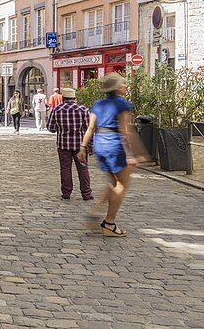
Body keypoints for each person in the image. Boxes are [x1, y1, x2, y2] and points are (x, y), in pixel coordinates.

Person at [78, 74, 142, 237]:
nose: (125, 86)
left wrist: (83, 147)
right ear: (117, 88)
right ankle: (109, 223)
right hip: (115, 145)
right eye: (123, 84)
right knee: (121, 185)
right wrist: (132, 154)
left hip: (101, 143)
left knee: (114, 182)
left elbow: (91, 128)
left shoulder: (98, 104)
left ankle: (97, 210)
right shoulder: (122, 104)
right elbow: (125, 131)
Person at [47, 88, 93, 201]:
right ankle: (86, 193)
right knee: (83, 168)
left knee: (65, 168)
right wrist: (91, 144)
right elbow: (89, 129)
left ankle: (66, 192)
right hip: (80, 146)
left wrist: (60, 128)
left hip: (63, 144)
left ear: (63, 98)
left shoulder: (57, 110)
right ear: (74, 98)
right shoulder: (83, 110)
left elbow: (50, 128)